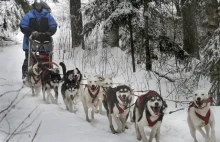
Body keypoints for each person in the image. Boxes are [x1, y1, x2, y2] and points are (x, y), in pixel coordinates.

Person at [19, 0, 57, 79]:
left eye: (39, 5)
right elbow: (23, 25)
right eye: (36, 5)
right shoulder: (29, 15)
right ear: (34, 5)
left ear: (41, 6)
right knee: (28, 57)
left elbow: (53, 24)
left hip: (45, 40)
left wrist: (49, 32)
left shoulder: (47, 15)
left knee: (47, 57)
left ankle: (47, 73)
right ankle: (26, 74)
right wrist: (31, 32)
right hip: (31, 40)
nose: (38, 7)